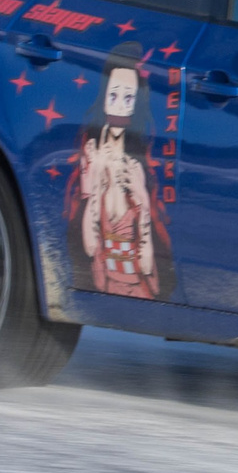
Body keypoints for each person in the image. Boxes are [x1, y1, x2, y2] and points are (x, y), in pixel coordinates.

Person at [68, 44, 170, 300]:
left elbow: (147, 265)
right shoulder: (92, 158)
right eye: (113, 96)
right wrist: (91, 190)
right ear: (103, 98)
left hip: (138, 287)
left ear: (136, 104)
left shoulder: (136, 168)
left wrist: (143, 203)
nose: (119, 106)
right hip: (106, 280)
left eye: (128, 98)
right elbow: (90, 246)